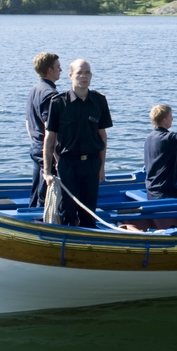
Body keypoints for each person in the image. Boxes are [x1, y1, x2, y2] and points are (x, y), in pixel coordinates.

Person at [43, 59, 112, 228]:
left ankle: (89, 246)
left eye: (87, 73)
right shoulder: (58, 102)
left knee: (89, 213)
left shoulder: (99, 101)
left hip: (91, 163)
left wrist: (102, 167)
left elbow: (102, 137)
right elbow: (49, 138)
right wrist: (47, 171)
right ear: (70, 75)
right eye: (80, 73)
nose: (84, 76)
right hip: (68, 164)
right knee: (68, 211)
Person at [25, 52, 61, 206]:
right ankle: (41, 223)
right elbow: (50, 130)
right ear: (50, 70)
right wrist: (57, 157)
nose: (61, 70)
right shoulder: (51, 95)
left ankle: (31, 215)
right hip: (45, 150)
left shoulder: (35, 89)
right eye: (58, 67)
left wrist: (35, 141)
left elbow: (28, 122)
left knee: (36, 188)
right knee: (46, 193)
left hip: (35, 146)